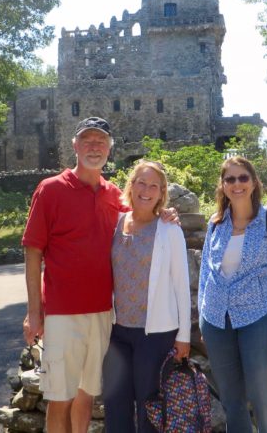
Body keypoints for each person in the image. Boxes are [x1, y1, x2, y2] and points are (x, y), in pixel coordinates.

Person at [21, 117, 176, 433]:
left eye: (101, 141)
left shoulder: (115, 196)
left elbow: (140, 219)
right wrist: (34, 313)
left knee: (86, 396)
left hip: (104, 314)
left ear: (110, 149)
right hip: (62, 314)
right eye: (87, 141)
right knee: (59, 399)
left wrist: (165, 213)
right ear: (75, 146)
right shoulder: (50, 190)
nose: (94, 147)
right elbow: (32, 252)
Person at [198, 156, 267, 433]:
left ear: (253, 183)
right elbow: (206, 270)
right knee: (231, 399)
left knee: (263, 396)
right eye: (230, 179)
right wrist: (205, 315)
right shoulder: (215, 224)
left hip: (258, 317)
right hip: (216, 321)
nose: (236, 184)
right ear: (223, 185)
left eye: (243, 178)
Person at [102, 160, 191, 433]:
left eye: (154, 185)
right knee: (116, 407)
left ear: (161, 192)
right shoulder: (115, 223)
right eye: (141, 182)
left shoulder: (170, 230)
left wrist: (184, 336)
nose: (147, 190)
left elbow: (181, 285)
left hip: (156, 335)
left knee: (149, 409)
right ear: (131, 185)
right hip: (117, 333)